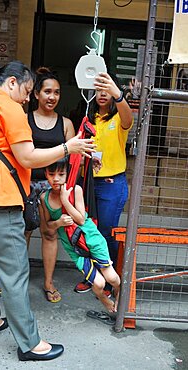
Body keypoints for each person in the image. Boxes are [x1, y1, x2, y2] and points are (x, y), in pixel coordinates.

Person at [0, 61, 95, 362]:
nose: (28, 98)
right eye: (28, 90)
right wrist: (67, 147)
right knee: (15, 272)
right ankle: (31, 344)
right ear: (11, 83)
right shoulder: (8, 108)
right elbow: (28, 157)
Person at [74, 72, 133, 295]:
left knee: (106, 233)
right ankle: (93, 277)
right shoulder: (88, 119)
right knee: (90, 233)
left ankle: (112, 281)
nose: (101, 94)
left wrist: (118, 94)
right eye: (98, 89)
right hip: (88, 183)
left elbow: (128, 119)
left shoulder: (118, 119)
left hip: (111, 185)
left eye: (106, 90)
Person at [40, 158, 120, 313]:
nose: (56, 178)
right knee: (98, 284)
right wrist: (58, 223)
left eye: (61, 174)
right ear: (46, 174)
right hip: (75, 247)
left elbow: (81, 219)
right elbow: (46, 229)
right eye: (51, 174)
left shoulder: (75, 190)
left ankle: (119, 290)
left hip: (92, 239)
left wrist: (65, 201)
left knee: (111, 278)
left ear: (68, 174)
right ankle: (104, 299)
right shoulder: (44, 198)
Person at [26, 67, 75, 303]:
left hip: (51, 187)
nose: (52, 97)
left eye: (56, 92)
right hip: (25, 184)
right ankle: (15, 280)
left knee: (50, 233)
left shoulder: (65, 124)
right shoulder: (24, 120)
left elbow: (72, 160)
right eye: (47, 91)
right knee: (21, 233)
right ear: (36, 94)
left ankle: (48, 282)